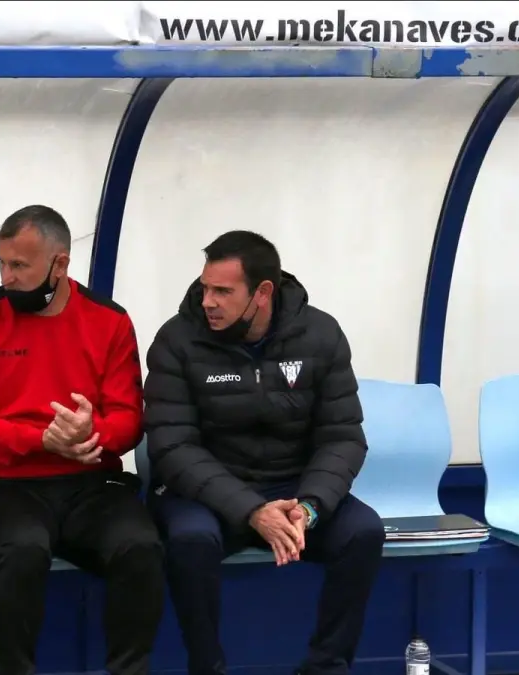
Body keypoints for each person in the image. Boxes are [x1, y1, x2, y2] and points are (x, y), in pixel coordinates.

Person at [142, 230, 385, 675]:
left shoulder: (321, 335)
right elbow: (172, 447)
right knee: (191, 541)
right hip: (206, 494)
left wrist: (309, 508)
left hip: (294, 489)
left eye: (223, 291)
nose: (208, 301)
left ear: (262, 293)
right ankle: (207, 667)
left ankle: (326, 668)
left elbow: (342, 437)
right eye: (205, 288)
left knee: (363, 532)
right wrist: (251, 510)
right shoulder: (177, 340)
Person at [0, 205, 164, 675]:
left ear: (60, 264)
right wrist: (41, 439)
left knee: (140, 545)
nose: (6, 277)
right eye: (1, 263)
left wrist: (90, 434)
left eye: (19, 265)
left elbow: (129, 420)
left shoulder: (109, 321)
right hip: (4, 484)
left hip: (90, 484)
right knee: (23, 548)